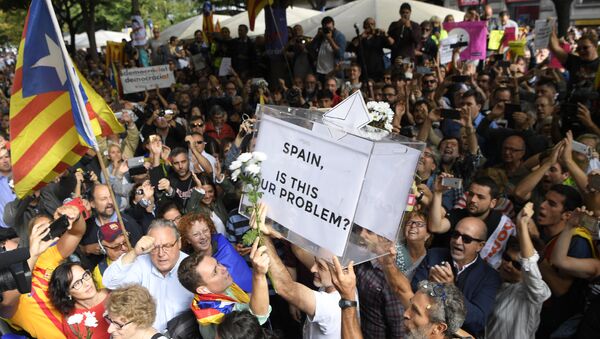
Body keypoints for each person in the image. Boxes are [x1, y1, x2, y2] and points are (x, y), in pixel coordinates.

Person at [5, 206, 87, 338]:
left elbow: (76, 233)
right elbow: (7, 303)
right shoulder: (6, 294)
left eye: (4, 243)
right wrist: (32, 255)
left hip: (91, 328)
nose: (5, 248)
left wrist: (75, 217)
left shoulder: (42, 258)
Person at [412, 217, 501, 337]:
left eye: (466, 239)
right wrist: (431, 286)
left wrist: (451, 289)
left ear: (480, 246)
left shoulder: (490, 277)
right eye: (455, 235)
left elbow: (477, 321)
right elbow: (413, 292)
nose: (458, 241)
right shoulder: (434, 255)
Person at [102, 219, 193, 332]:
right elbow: (110, 282)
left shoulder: (192, 267)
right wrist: (134, 252)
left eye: (167, 246)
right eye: (155, 247)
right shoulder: (142, 262)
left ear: (179, 243)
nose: (161, 253)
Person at [177, 237, 271, 339]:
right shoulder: (215, 313)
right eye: (215, 272)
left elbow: (248, 299)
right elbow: (258, 316)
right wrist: (259, 275)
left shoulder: (218, 290)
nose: (224, 268)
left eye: (218, 263)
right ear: (203, 290)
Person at [485, 203, 552, 338]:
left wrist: (522, 226)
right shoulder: (493, 280)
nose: (508, 265)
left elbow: (530, 266)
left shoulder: (530, 293)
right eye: (506, 258)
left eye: (517, 264)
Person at [177, 213, 253, 292]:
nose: (203, 237)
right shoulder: (191, 265)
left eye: (205, 230)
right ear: (188, 240)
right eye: (196, 234)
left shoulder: (222, 244)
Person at [49, 262, 110, 339]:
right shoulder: (72, 321)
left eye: (85, 275)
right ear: (67, 293)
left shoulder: (113, 295)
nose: (87, 284)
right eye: (77, 283)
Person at [92, 222, 131, 289]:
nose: (124, 248)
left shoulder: (139, 253)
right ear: (103, 249)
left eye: (125, 243)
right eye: (116, 246)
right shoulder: (101, 272)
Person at [308, 16, 346, 82]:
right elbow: (310, 48)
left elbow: (340, 54)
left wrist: (329, 38)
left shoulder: (339, 36)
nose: (327, 30)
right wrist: (317, 36)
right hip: (320, 72)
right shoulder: (321, 36)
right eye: (325, 28)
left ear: (333, 26)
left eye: (329, 28)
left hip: (334, 73)